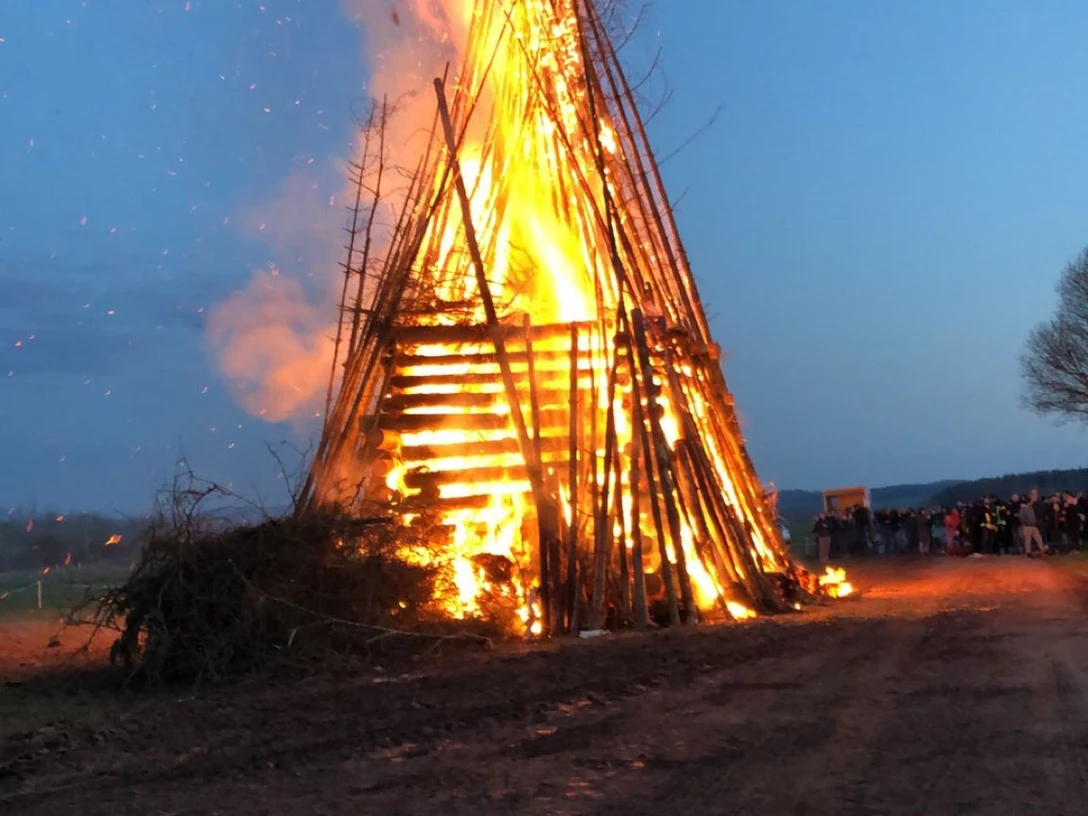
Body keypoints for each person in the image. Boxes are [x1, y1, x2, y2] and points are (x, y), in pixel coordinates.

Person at [1019, 490, 1047, 556]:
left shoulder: (1031, 508)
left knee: (1038, 538)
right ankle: (1028, 552)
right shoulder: (1023, 509)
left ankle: (1042, 550)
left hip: (1033, 526)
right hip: (1027, 526)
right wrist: (1026, 522)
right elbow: (1020, 517)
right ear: (1028, 502)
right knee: (1028, 540)